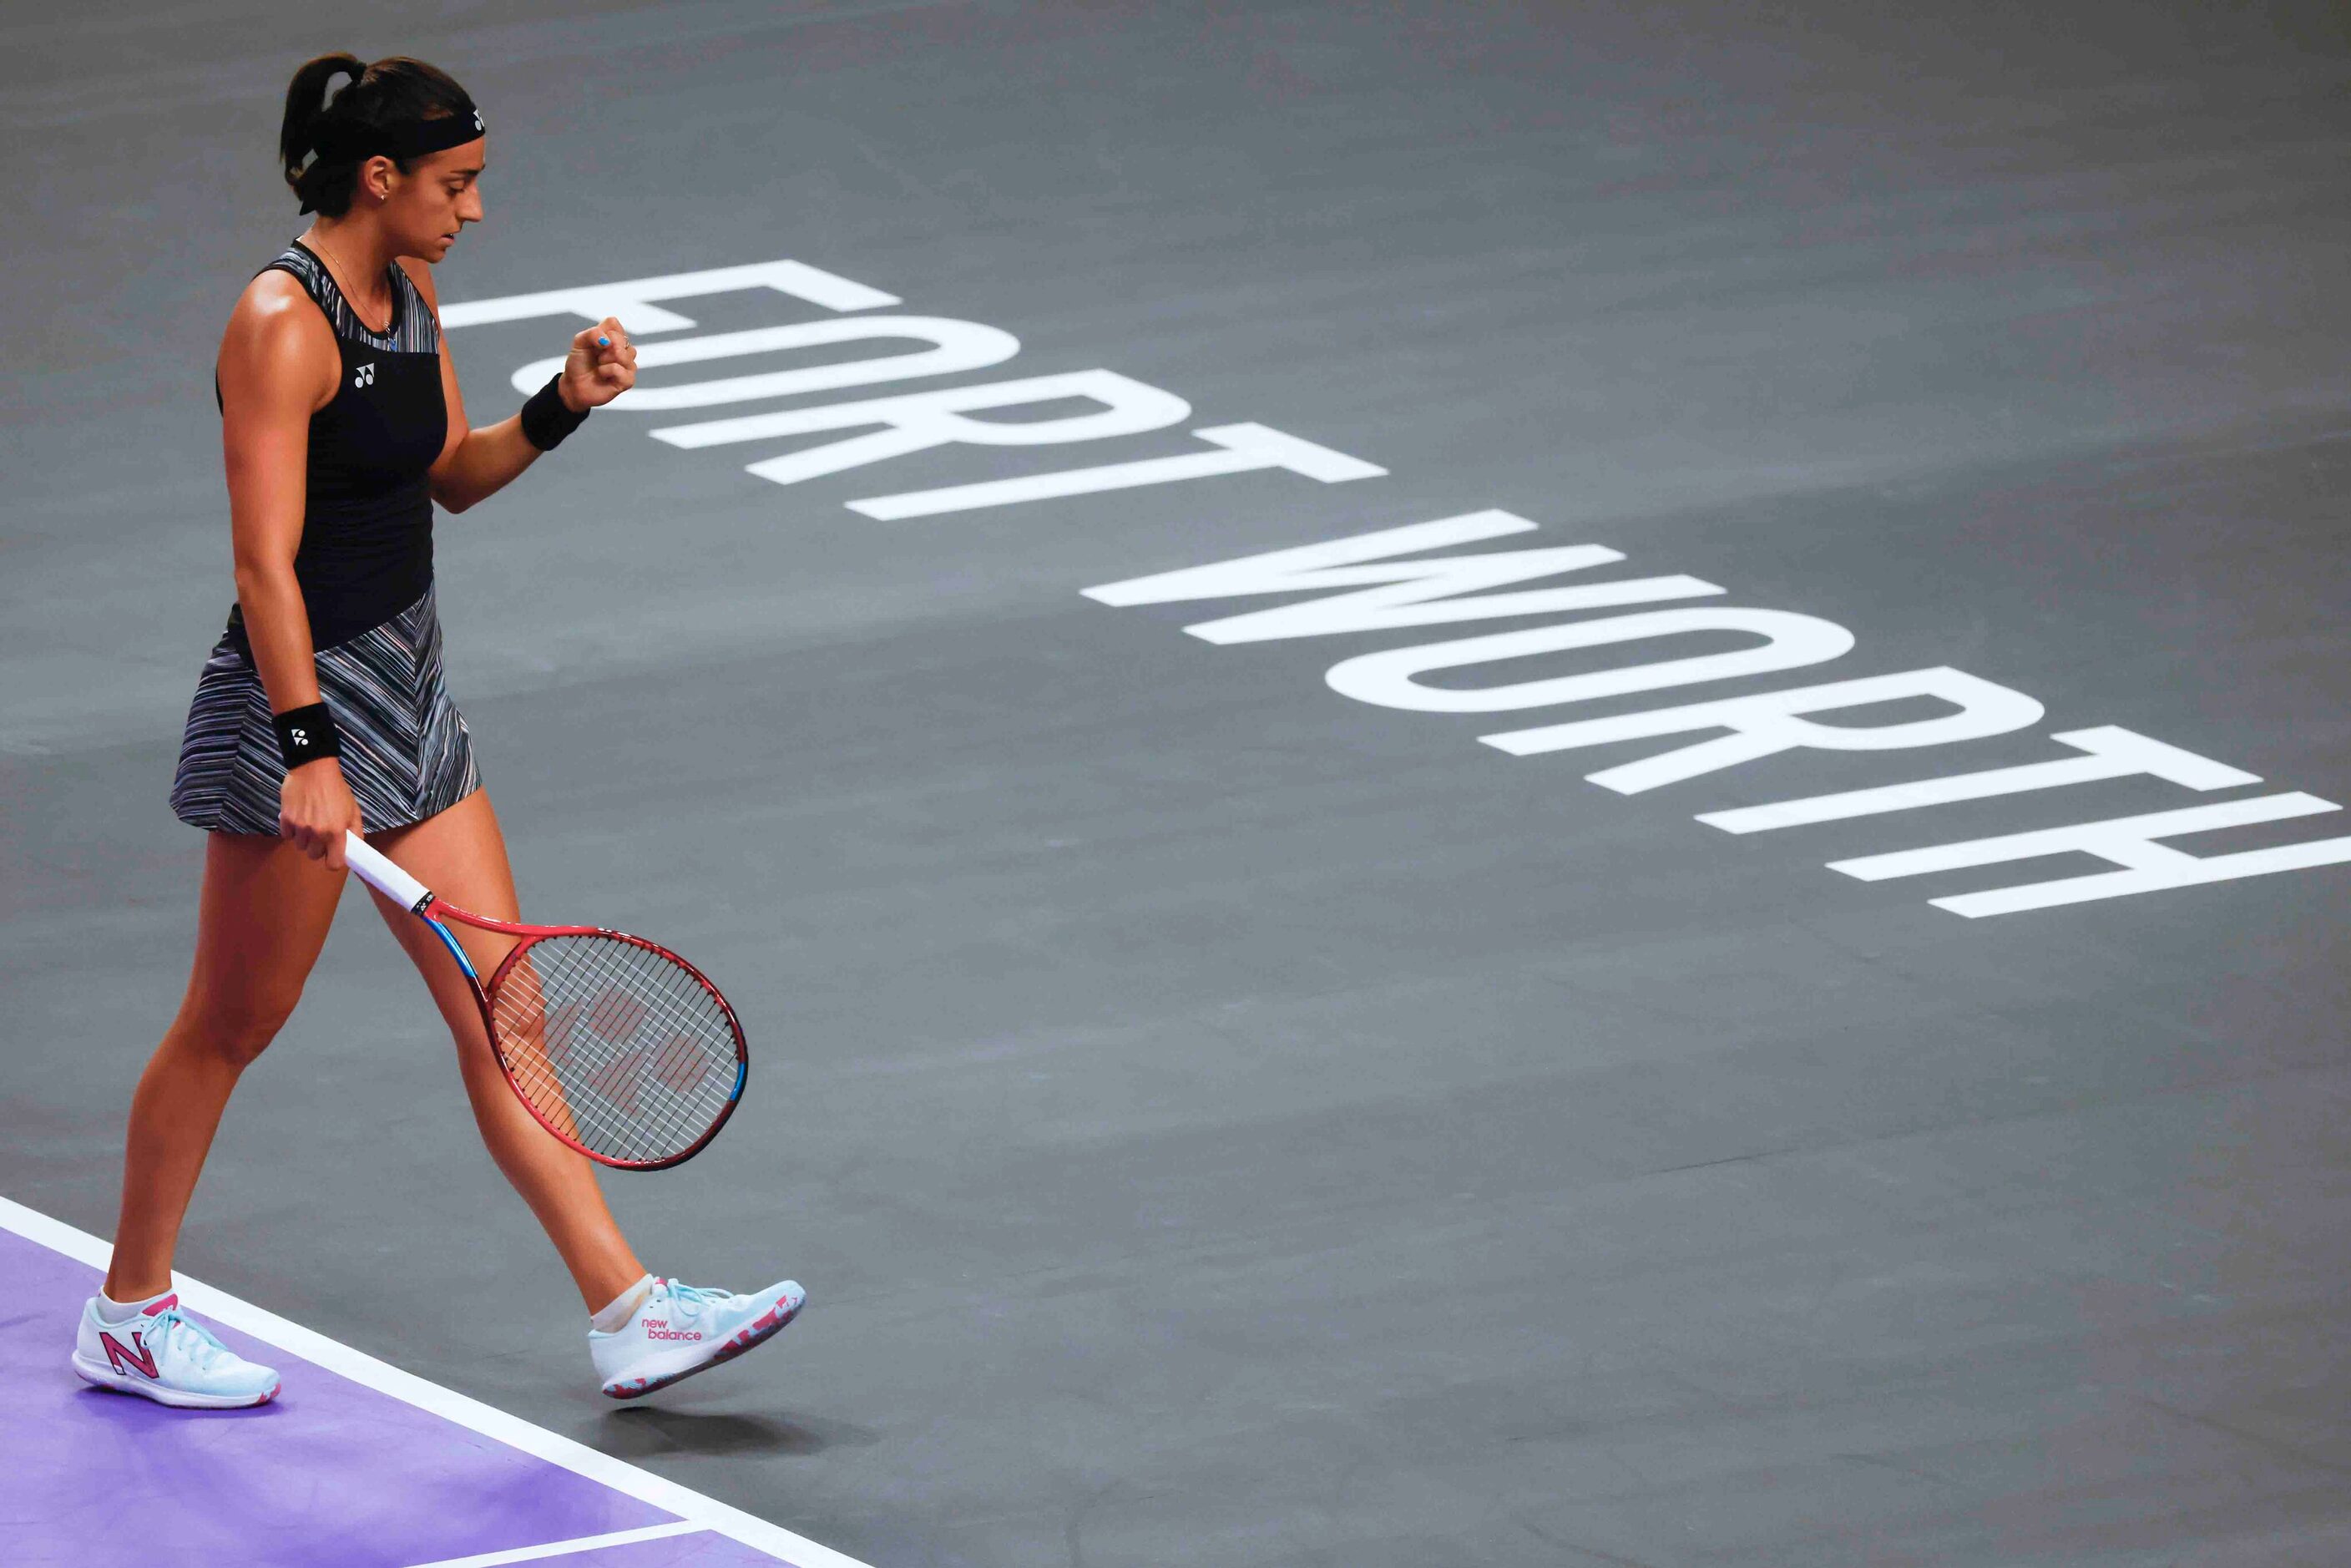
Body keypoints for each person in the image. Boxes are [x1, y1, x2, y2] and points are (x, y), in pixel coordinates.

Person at [71, 53, 802, 1409]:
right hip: (296, 710)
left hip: (410, 694)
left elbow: (450, 476)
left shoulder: (407, 297)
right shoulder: (279, 324)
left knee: (503, 1001)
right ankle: (127, 1310)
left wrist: (559, 408)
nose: (473, 211)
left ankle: (628, 1308)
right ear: (381, 176)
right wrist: (308, 751)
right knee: (233, 1021)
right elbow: (263, 566)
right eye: (457, 185)